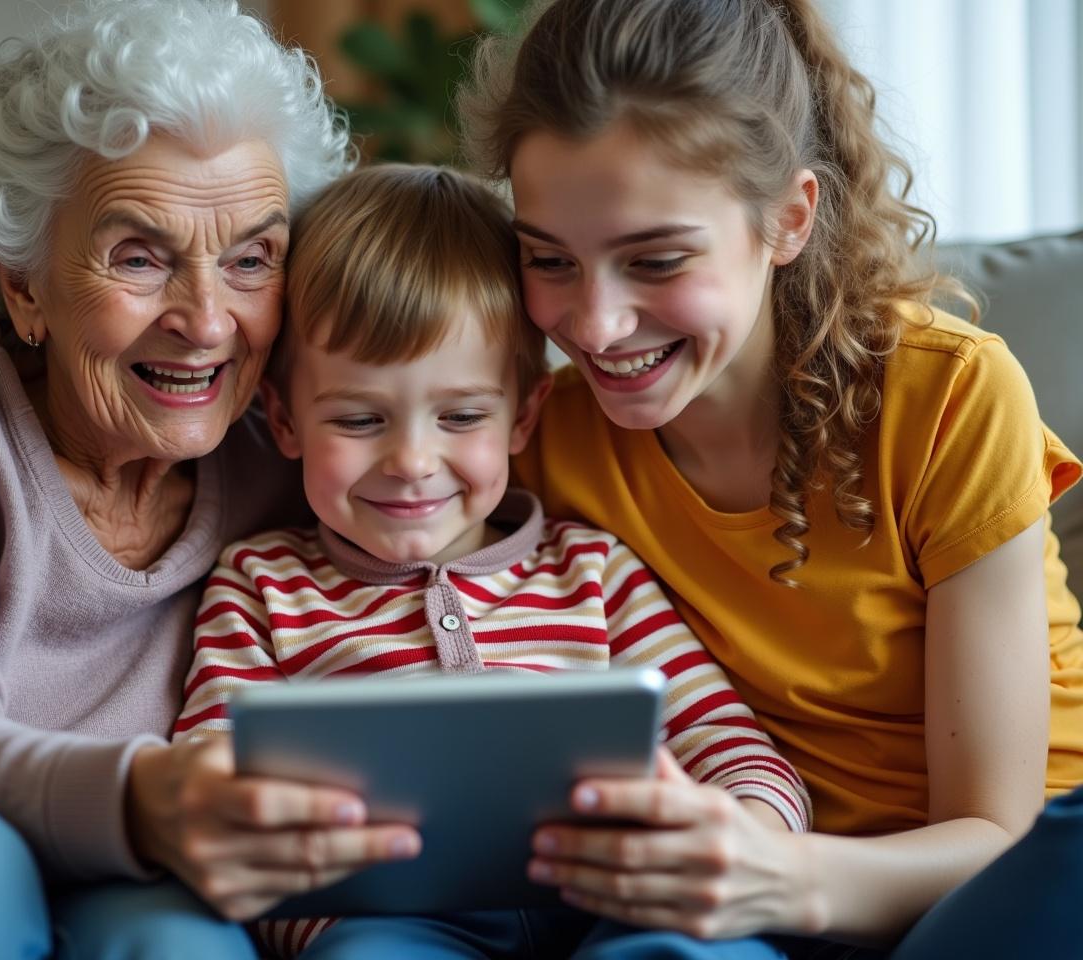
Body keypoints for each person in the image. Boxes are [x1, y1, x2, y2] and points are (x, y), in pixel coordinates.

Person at [0, 1, 1083, 957]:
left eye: (250, 257)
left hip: (811, 884)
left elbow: (796, 762)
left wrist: (755, 842)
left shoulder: (533, 455)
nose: (593, 323)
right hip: (343, 901)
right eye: (138, 257)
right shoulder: (331, 446)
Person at [457, 0, 1083, 956]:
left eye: (656, 260)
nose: (595, 324)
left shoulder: (947, 396)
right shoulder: (546, 446)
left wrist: (771, 874)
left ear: (788, 218)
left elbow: (995, 834)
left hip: (991, 886)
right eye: (551, 259)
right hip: (742, 888)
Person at [0, 1, 424, 957]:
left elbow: (466, 362)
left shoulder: (293, 432)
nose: (208, 320)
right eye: (139, 257)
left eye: (252, 257)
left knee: (181, 934)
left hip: (127, 872)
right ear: (21, 285)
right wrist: (145, 796)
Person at [171, 163, 812, 959]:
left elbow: (728, 744)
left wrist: (745, 831)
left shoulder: (594, 572)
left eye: (462, 415)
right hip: (387, 921)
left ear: (524, 415)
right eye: (362, 418)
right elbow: (213, 792)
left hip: (616, 904)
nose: (412, 460)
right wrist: (316, 918)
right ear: (285, 419)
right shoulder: (259, 587)